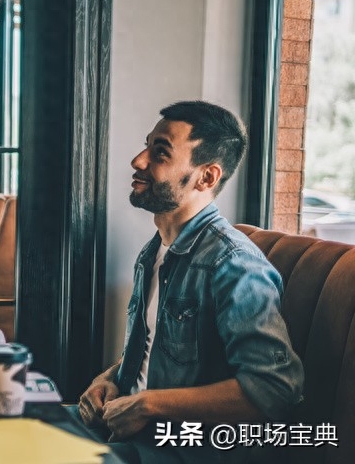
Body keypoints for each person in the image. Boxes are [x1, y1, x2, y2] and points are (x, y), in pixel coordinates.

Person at [76, 101, 303, 462]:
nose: (138, 160)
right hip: (120, 430)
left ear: (206, 177)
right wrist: (108, 379)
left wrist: (149, 405)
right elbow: (156, 348)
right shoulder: (154, 252)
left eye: (160, 152)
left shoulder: (234, 264)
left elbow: (275, 389)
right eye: (146, 145)